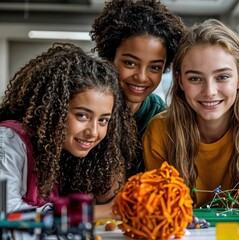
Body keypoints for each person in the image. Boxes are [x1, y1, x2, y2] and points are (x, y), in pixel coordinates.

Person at [143, 19, 239, 207]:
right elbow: (157, 204)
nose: (209, 91)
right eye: (195, 78)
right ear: (180, 80)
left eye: (222, 77)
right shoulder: (160, 131)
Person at [0, 43, 137, 220]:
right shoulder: (8, 140)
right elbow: (5, 214)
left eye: (103, 120)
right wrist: (102, 211)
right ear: (52, 109)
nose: (93, 132)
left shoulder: (66, 154)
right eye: (82, 116)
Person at [90, 0, 187, 176]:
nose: (141, 77)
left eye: (155, 67)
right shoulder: (87, 105)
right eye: (130, 63)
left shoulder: (157, 116)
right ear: (110, 57)